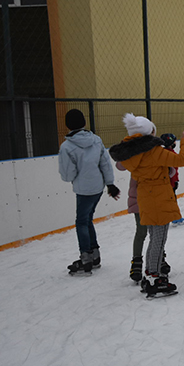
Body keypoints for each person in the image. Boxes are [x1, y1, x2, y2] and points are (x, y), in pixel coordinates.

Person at [109, 113, 184, 297]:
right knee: (159, 239)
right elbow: (181, 160)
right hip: (159, 199)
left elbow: (121, 165)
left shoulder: (132, 155)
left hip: (145, 198)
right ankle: (154, 277)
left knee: (154, 237)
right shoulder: (154, 152)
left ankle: (149, 274)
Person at [58, 108, 120, 275]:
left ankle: (86, 257)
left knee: (81, 222)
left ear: (67, 125)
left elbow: (67, 174)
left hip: (83, 189)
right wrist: (110, 183)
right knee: (87, 219)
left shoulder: (67, 146)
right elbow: (105, 163)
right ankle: (95, 254)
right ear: (84, 123)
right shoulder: (96, 140)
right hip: (97, 187)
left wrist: (75, 175)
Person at [116, 158, 171, 283]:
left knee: (156, 232)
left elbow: (171, 171)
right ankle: (137, 261)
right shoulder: (136, 151)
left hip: (154, 197)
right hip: (139, 198)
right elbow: (120, 165)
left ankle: (158, 258)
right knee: (142, 231)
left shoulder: (156, 150)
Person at [161, 133, 184, 227]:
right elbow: (174, 169)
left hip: (166, 182)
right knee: (171, 200)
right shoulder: (171, 154)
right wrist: (174, 182)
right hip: (171, 182)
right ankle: (175, 218)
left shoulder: (161, 153)